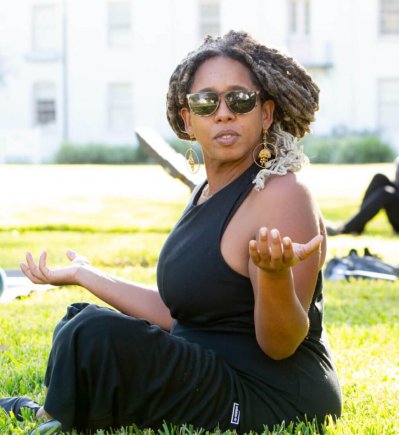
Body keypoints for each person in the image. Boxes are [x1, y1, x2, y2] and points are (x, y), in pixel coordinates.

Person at [0, 31, 342, 433]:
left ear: (265, 114)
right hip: (210, 368)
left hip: (270, 393)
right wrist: (86, 275)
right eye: (205, 101)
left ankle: (53, 416)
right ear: (187, 119)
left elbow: (281, 345)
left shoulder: (281, 193)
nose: (224, 112)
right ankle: (63, 409)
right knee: (81, 319)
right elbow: (181, 315)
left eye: (240, 99)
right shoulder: (204, 192)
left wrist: (273, 276)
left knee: (93, 335)